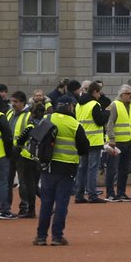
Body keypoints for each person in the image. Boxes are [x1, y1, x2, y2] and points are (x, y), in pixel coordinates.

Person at [35, 97, 89, 246]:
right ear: (70, 107)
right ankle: (57, 237)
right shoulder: (75, 124)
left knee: (46, 202)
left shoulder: (47, 119)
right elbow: (84, 148)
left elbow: (37, 138)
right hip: (67, 168)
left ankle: (41, 236)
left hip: (48, 166)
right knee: (61, 203)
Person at [106, 85, 131, 200]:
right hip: (116, 142)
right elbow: (110, 123)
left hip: (128, 141)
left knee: (124, 169)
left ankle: (121, 192)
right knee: (112, 169)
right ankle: (110, 193)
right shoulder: (114, 105)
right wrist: (111, 138)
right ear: (121, 94)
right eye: (128, 94)